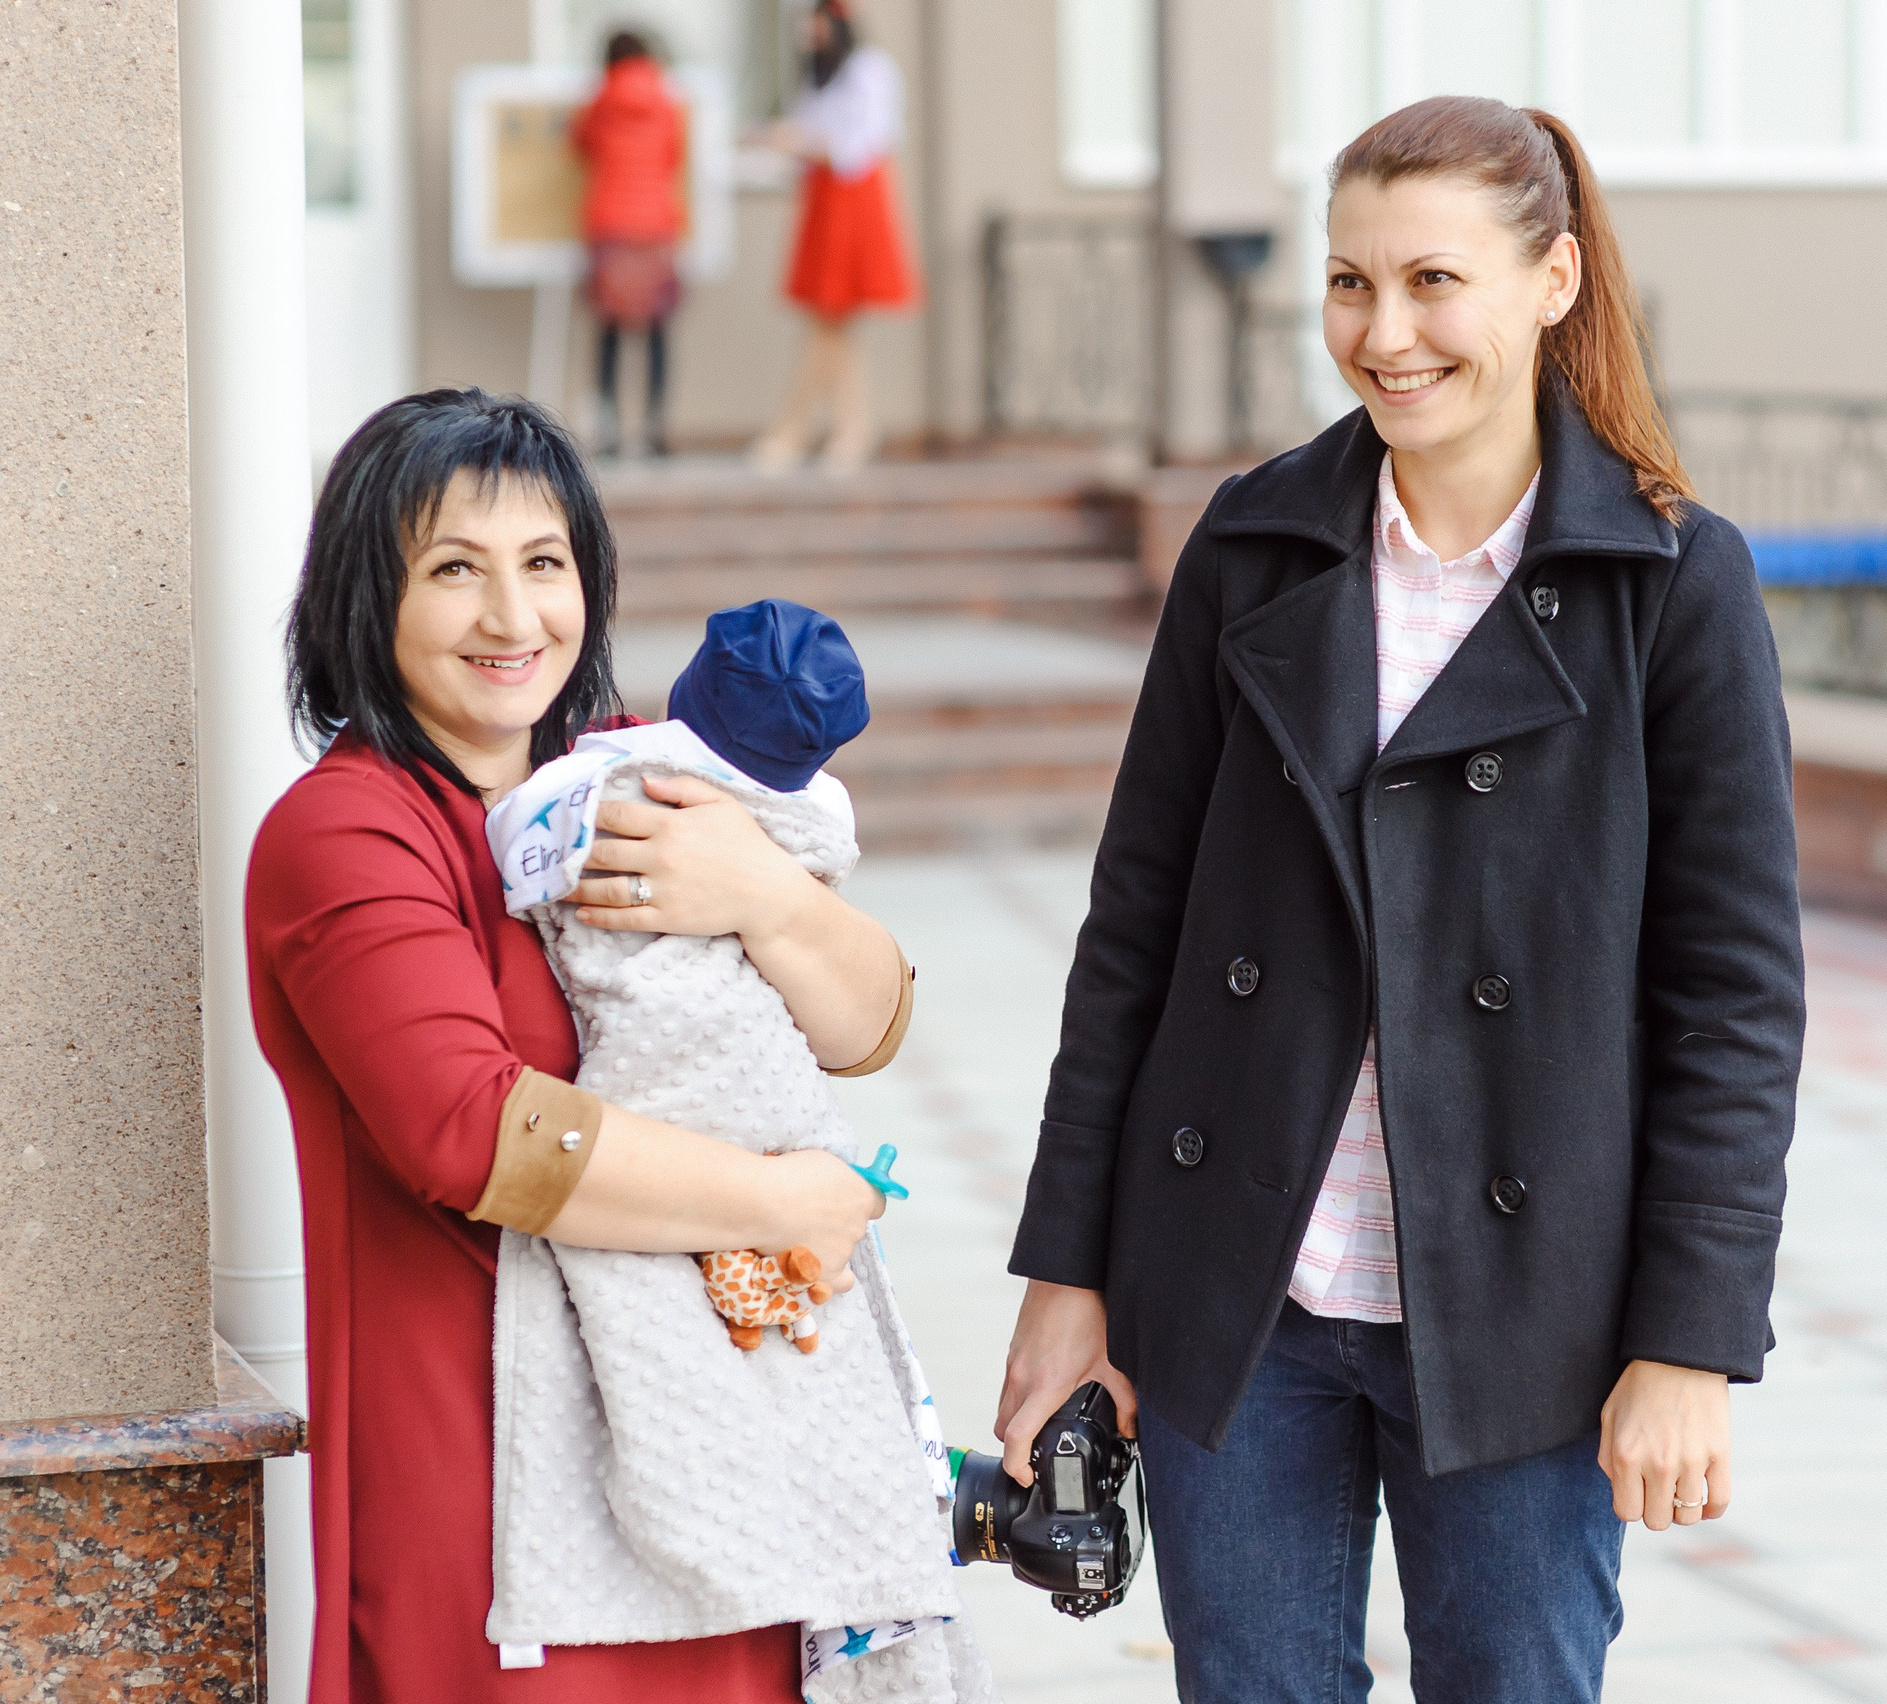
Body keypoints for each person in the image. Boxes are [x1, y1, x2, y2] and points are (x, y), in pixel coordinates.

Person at [996, 95, 1803, 1702]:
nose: (1386, 332)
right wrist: (1065, 1277)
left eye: (1436, 281)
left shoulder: (1669, 584)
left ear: (1553, 282)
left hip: (1529, 1317)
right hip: (1243, 1290)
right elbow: (1135, 933)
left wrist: (1690, 1338)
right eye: (1350, 284)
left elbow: (1733, 997)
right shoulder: (1254, 545)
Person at [247, 390, 911, 1702]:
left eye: (544, 565)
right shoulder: (349, 833)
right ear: (365, 600)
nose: (513, 618)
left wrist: (766, 894)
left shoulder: (631, 776)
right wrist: (791, 1202)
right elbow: (478, 1133)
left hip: (708, 1447)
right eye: (454, 571)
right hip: (492, 1480)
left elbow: (870, 1022)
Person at [749, 0, 918, 474]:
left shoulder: (870, 71)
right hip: (825, 201)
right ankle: (853, 429)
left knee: (831, 321)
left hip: (853, 201)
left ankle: (791, 431)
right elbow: (811, 129)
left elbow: (856, 143)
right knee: (833, 325)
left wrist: (798, 141)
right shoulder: (821, 76)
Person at [569, 30, 687, 458]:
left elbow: (580, 146)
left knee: (610, 328)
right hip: (655, 225)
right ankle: (657, 423)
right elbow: (674, 154)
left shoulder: (599, 100)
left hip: (611, 225)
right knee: (656, 327)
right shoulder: (665, 98)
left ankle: (610, 427)